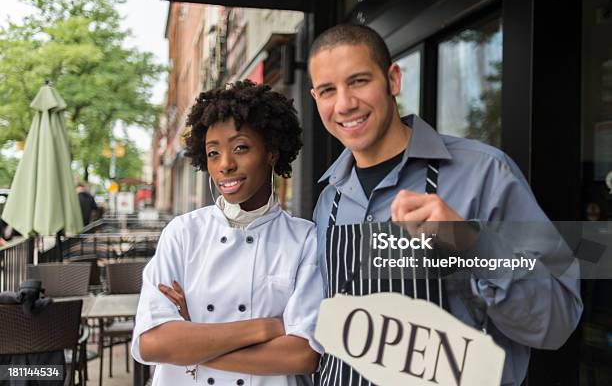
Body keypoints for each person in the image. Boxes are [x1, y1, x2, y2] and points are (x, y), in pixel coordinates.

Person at [308, 24, 582, 386]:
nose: (344, 104)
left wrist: (470, 243)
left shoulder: (485, 173)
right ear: (316, 99)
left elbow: (557, 321)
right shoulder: (330, 198)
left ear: (392, 79)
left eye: (358, 81)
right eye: (328, 90)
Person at [132, 80, 324, 386]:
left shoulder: (304, 240)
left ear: (271, 151)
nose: (225, 165)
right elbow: (152, 343)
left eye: (241, 148)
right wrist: (264, 328)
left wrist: (189, 345)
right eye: (213, 153)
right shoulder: (182, 234)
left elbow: (302, 356)